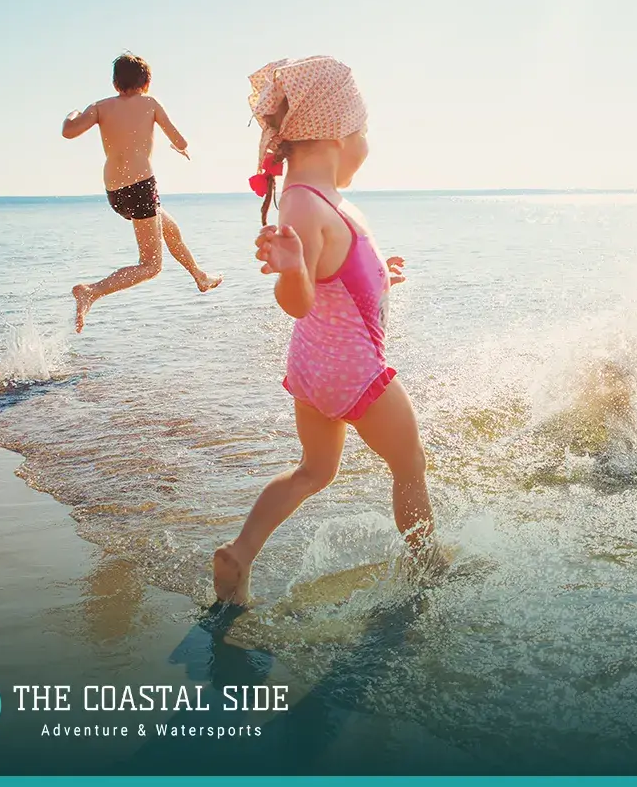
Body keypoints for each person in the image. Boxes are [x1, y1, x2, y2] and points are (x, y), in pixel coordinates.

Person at [213, 56, 441, 605]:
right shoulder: (303, 203)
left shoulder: (317, 198)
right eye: (365, 131)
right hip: (352, 371)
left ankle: (239, 555)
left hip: (314, 369)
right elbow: (299, 300)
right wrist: (291, 267)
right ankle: (429, 570)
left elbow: (339, 277)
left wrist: (384, 275)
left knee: (314, 471)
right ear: (340, 133)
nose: (367, 144)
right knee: (410, 463)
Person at [62, 53, 222, 332]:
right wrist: (179, 148)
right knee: (151, 266)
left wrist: (73, 112)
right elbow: (181, 140)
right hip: (140, 186)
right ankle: (91, 291)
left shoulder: (99, 107)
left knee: (170, 228)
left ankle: (200, 276)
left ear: (115, 83)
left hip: (115, 192)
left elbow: (69, 131)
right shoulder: (150, 103)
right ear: (147, 82)